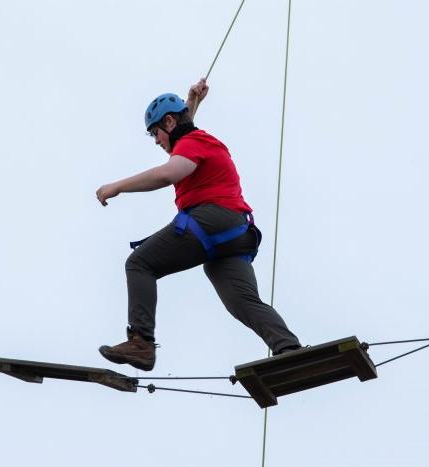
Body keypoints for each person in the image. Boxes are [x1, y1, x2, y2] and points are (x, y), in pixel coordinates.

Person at [96, 79, 301, 371]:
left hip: (214, 221)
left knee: (139, 264)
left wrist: (117, 186)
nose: (157, 141)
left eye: (155, 133)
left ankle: (141, 343)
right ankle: (288, 348)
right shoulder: (196, 140)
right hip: (234, 236)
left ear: (168, 122)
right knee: (241, 302)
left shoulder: (192, 143)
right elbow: (182, 132)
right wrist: (193, 103)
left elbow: (169, 174)